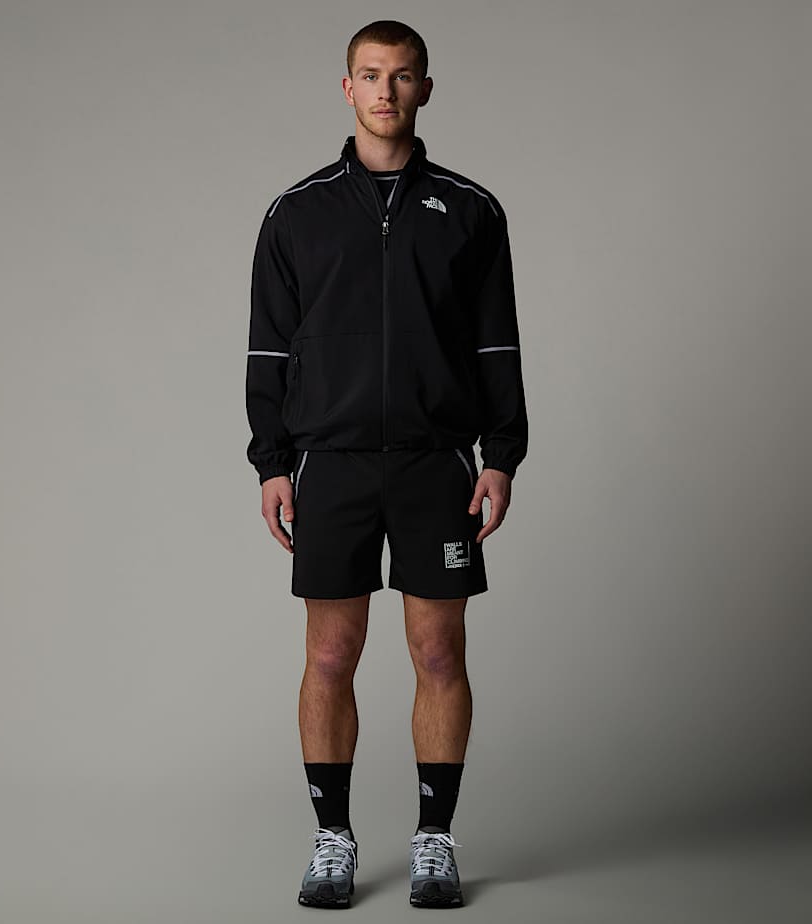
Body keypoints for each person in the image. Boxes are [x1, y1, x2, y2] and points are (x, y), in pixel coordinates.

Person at [245, 19, 527, 909]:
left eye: (402, 76)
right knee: (331, 653)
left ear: (425, 89)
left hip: (435, 462)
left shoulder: (471, 211)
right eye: (370, 75)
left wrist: (501, 454)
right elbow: (268, 351)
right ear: (346, 88)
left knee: (438, 650)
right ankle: (332, 839)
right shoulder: (297, 213)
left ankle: (435, 840)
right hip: (329, 463)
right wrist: (272, 463)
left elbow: (496, 345)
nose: (386, 91)